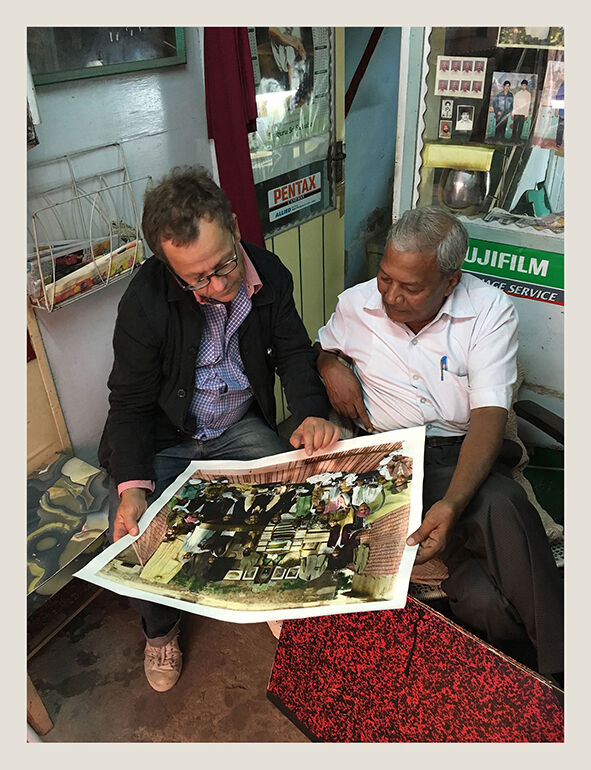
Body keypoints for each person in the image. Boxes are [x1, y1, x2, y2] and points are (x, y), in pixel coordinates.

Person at [98, 165, 340, 691]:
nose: (219, 284)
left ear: (233, 225)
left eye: (225, 264)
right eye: (197, 279)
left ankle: (273, 595)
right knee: (138, 533)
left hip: (234, 425)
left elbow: (293, 353)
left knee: (293, 498)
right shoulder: (145, 301)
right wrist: (132, 488)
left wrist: (311, 413)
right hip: (166, 436)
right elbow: (129, 403)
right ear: (170, 268)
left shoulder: (269, 274)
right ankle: (160, 631)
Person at [315, 206, 563, 679]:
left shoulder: (487, 310)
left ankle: (562, 673)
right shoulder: (356, 305)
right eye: (385, 277)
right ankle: (550, 664)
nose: (391, 296)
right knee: (487, 586)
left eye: (410, 288)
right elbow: (322, 345)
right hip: (390, 458)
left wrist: (451, 504)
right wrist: (330, 367)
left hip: (457, 449)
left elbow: (489, 414)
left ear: (450, 282)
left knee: (499, 512)